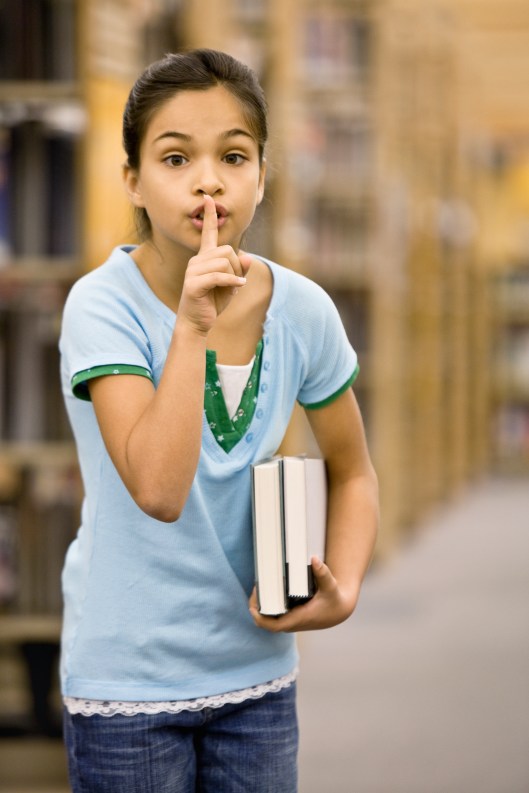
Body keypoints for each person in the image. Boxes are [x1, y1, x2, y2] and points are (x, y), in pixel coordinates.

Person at [59, 48, 379, 793]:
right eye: (175, 158)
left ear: (261, 175)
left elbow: (353, 468)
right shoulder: (100, 306)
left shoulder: (303, 309)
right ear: (132, 179)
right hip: (125, 685)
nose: (208, 179)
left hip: (256, 675)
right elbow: (160, 490)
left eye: (233, 156)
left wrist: (347, 584)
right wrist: (192, 325)